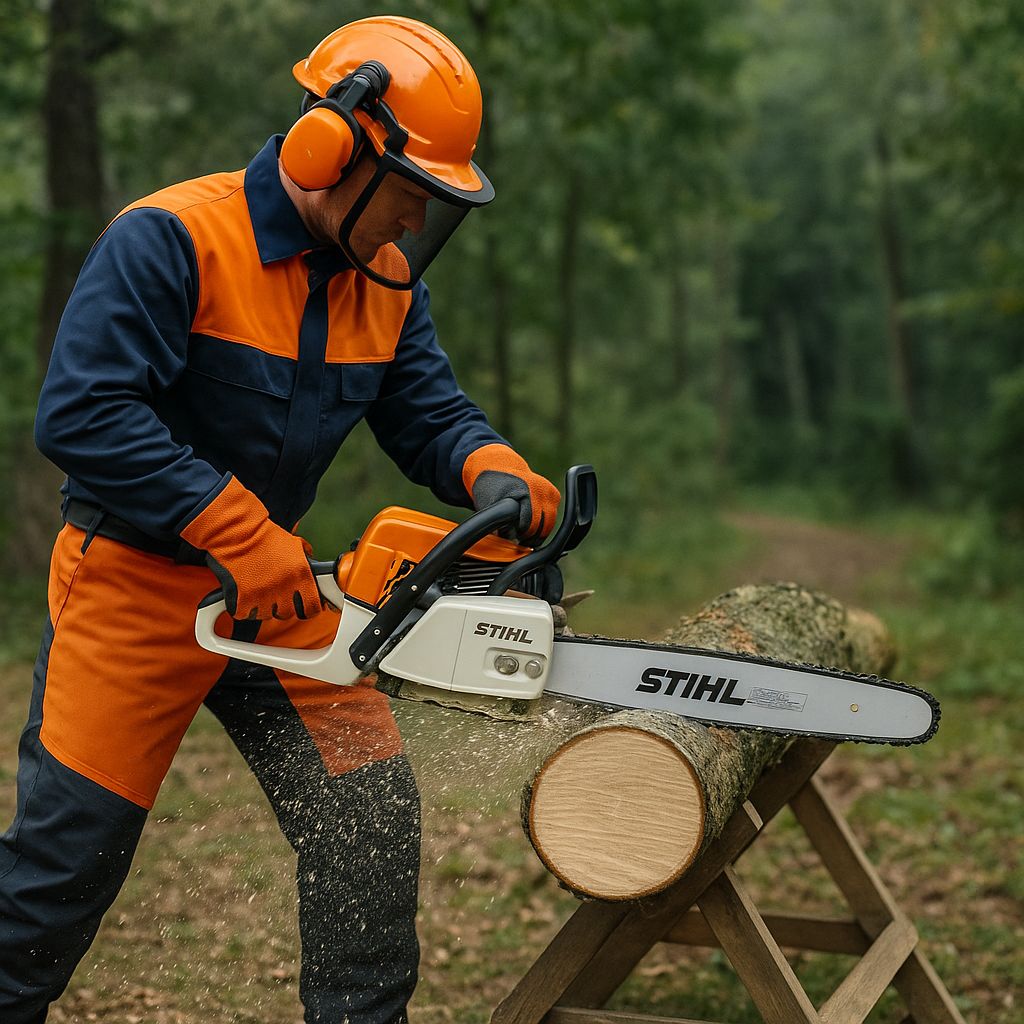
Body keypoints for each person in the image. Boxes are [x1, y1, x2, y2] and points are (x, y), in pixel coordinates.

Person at [0, 16, 560, 1024]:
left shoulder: (383, 280)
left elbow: (426, 409)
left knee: (367, 817)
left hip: (284, 596)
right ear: (333, 146)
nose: (408, 227)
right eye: (407, 195)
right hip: (135, 587)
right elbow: (81, 413)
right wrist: (231, 525)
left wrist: (494, 471)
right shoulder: (171, 237)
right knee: (61, 867)